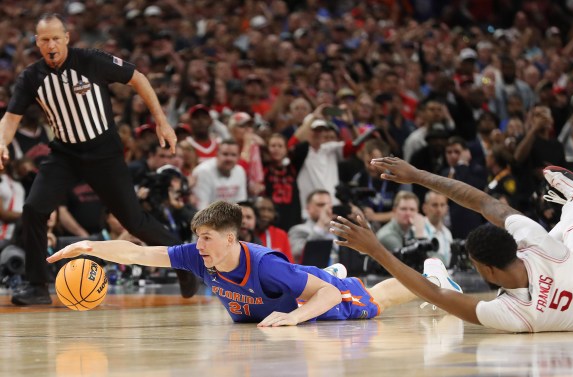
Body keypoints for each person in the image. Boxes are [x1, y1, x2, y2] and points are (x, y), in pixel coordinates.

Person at [0, 14, 197, 305]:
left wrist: (161, 121)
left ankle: (182, 262)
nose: (51, 44)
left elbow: (137, 78)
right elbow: (10, 117)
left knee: (134, 221)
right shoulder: (31, 77)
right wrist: (2, 142)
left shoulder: (91, 60)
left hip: (104, 153)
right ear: (37, 43)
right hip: (65, 154)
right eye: (45, 39)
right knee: (34, 208)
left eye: (56, 38)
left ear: (67, 38)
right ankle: (38, 286)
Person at [46, 200, 450, 326]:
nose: (197, 245)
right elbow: (138, 253)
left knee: (374, 302)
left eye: (206, 238)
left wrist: (295, 318)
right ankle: (317, 279)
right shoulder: (198, 255)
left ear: (229, 240)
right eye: (197, 237)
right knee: (312, 284)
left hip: (315, 295)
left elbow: (325, 295)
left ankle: (435, 278)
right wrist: (88, 247)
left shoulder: (264, 264)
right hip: (293, 288)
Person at [331, 157, 573, 332]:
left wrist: (375, 250)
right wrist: (417, 175)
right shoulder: (535, 241)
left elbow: (433, 293)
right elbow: (483, 202)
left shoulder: (511, 315)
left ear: (487, 270)